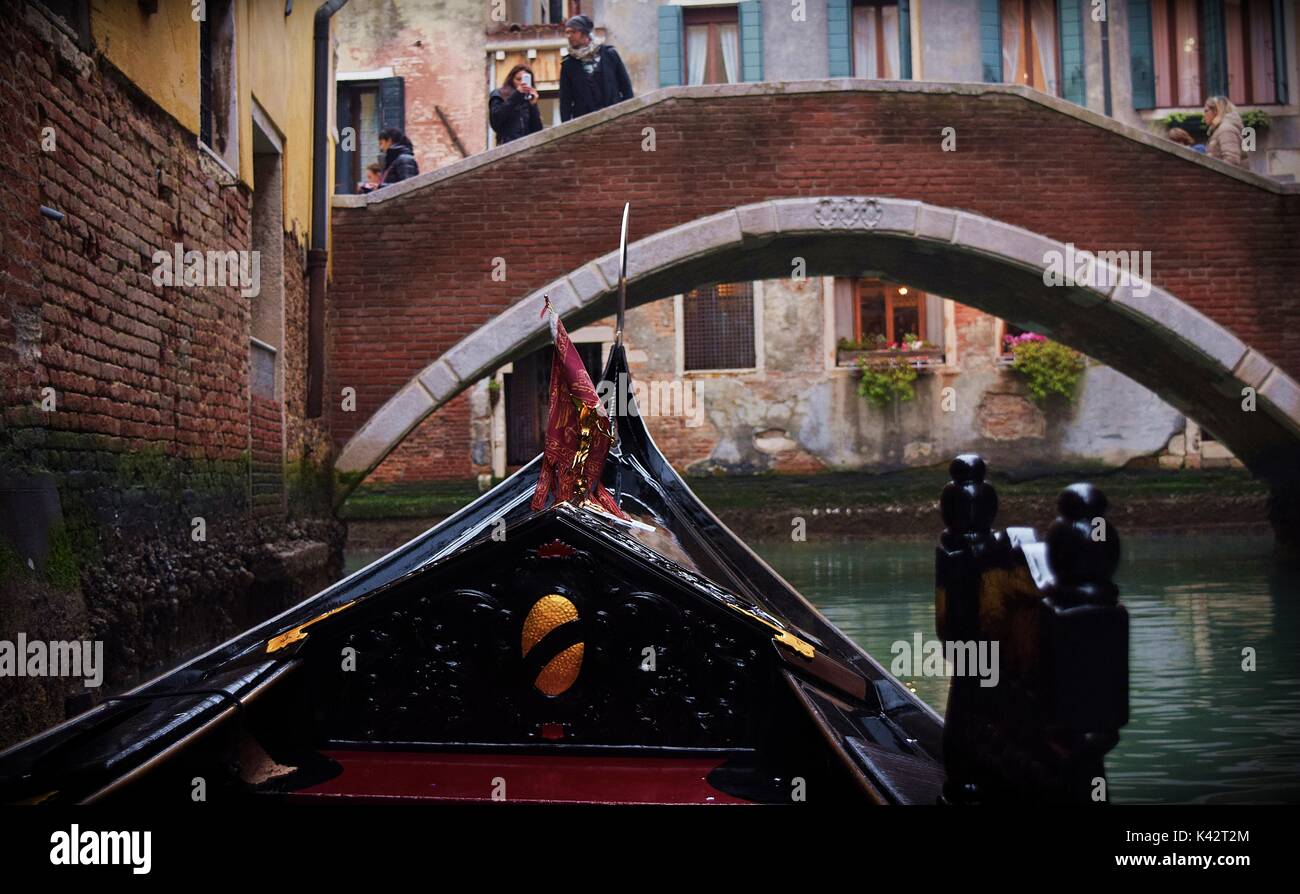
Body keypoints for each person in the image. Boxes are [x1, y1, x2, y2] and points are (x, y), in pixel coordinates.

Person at [558, 14, 633, 122]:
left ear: (585, 33)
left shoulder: (609, 54)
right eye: (567, 32)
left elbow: (626, 88)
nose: (569, 36)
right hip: (584, 124)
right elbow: (565, 101)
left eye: (573, 32)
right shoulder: (568, 64)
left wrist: (627, 116)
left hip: (614, 119)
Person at [490, 64, 543, 145]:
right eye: (518, 79)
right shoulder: (499, 94)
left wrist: (533, 106)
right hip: (506, 145)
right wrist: (516, 95)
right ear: (511, 80)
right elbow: (496, 121)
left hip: (527, 146)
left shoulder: (528, 99)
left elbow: (537, 130)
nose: (522, 83)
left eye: (525, 80)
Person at [1203, 96, 1247, 169]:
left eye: (1206, 111)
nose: (1204, 115)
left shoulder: (1226, 129)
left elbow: (1232, 160)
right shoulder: (1219, 129)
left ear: (1216, 111)